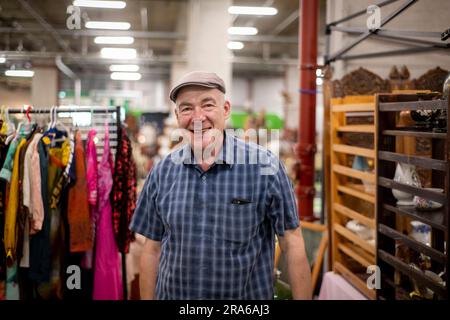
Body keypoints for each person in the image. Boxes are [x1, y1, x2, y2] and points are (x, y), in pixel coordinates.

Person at [129, 71, 312, 300]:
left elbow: (292, 243)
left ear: (225, 110)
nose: (197, 117)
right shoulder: (162, 172)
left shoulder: (265, 168)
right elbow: (151, 249)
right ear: (177, 116)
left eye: (207, 105)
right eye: (186, 108)